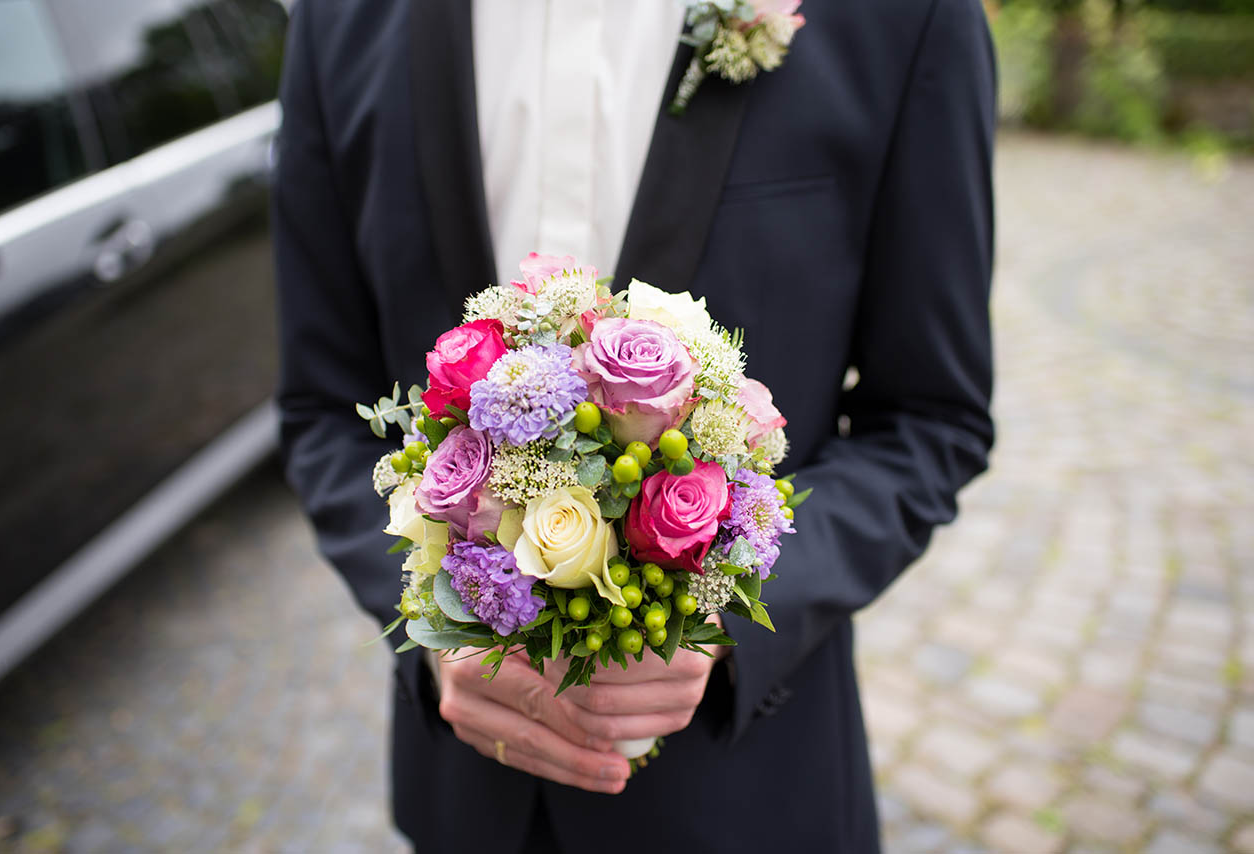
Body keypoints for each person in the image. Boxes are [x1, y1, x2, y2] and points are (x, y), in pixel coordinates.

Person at [272, 0, 996, 851]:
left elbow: (929, 419)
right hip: (471, 802)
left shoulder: (904, 19)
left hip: (745, 793)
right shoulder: (340, 20)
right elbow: (324, 409)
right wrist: (437, 624)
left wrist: (725, 608)